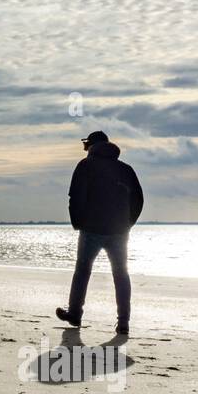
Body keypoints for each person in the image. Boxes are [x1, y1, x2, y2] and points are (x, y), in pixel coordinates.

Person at [56, 130, 144, 335]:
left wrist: (78, 223)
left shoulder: (85, 166)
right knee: (121, 274)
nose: (84, 149)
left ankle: (75, 314)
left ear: (91, 146)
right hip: (119, 231)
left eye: (86, 145)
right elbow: (138, 200)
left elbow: (75, 197)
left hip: (91, 229)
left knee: (83, 271)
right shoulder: (126, 169)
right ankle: (123, 322)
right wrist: (127, 223)